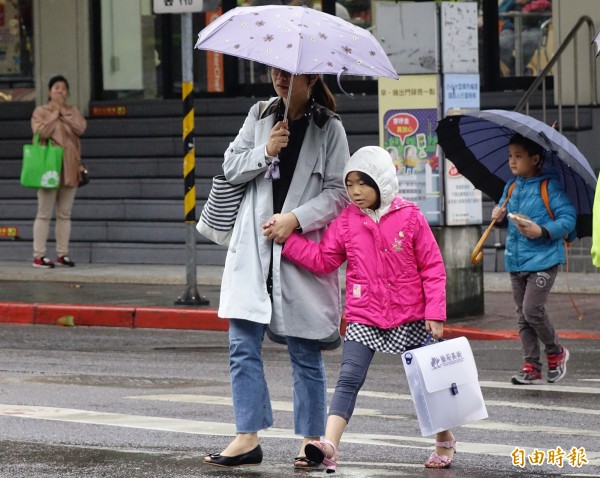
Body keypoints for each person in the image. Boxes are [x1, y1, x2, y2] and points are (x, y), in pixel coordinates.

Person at [203, 67, 350, 469]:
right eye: (275, 71)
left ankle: (310, 439)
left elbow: (340, 194)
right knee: (241, 344)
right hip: (253, 247)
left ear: (312, 76)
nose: (280, 78)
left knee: (305, 348)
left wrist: (296, 219)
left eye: (290, 72)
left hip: (297, 248)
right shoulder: (259, 115)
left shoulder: (329, 128)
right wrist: (265, 150)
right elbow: (231, 167)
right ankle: (247, 436)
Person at [278, 145, 456, 472]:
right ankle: (330, 445)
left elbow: (432, 267)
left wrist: (435, 312)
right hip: (364, 313)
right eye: (350, 184)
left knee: (425, 382)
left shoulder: (411, 217)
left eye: (364, 183)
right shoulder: (346, 222)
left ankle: (444, 438)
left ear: (382, 182)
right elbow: (324, 259)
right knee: (348, 378)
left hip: (412, 314)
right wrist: (288, 240)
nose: (356, 192)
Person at [491, 133, 575, 385]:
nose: (512, 162)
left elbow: (567, 219)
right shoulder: (512, 186)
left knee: (532, 310)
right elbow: (506, 214)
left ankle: (556, 352)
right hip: (516, 262)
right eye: (510, 156)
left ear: (535, 158)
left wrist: (542, 230)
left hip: (544, 260)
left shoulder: (550, 186)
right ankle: (531, 366)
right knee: (522, 315)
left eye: (519, 156)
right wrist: (500, 214)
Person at [30, 75, 87, 268]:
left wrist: (64, 113)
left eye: (64, 88)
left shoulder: (72, 111)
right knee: (44, 212)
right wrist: (55, 114)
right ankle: (39, 255)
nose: (60, 91)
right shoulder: (41, 111)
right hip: (49, 167)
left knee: (65, 213)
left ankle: (63, 254)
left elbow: (80, 128)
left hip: (70, 166)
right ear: (49, 91)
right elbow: (41, 132)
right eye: (56, 88)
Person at [498, 0, 551, 76]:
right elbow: (500, 12)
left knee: (527, 42)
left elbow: (550, 11)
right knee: (500, 45)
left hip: (534, 27)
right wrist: (515, 2)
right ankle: (523, 72)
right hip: (511, 27)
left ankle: (514, 76)